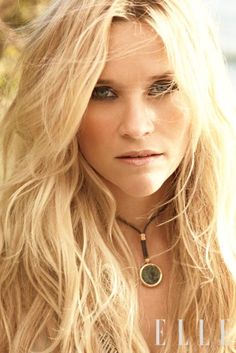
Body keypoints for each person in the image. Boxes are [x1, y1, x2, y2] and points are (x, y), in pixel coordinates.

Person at [0, 0, 235, 352]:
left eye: (162, 87)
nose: (137, 127)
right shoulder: (13, 258)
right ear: (61, 105)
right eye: (102, 92)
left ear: (201, 93)